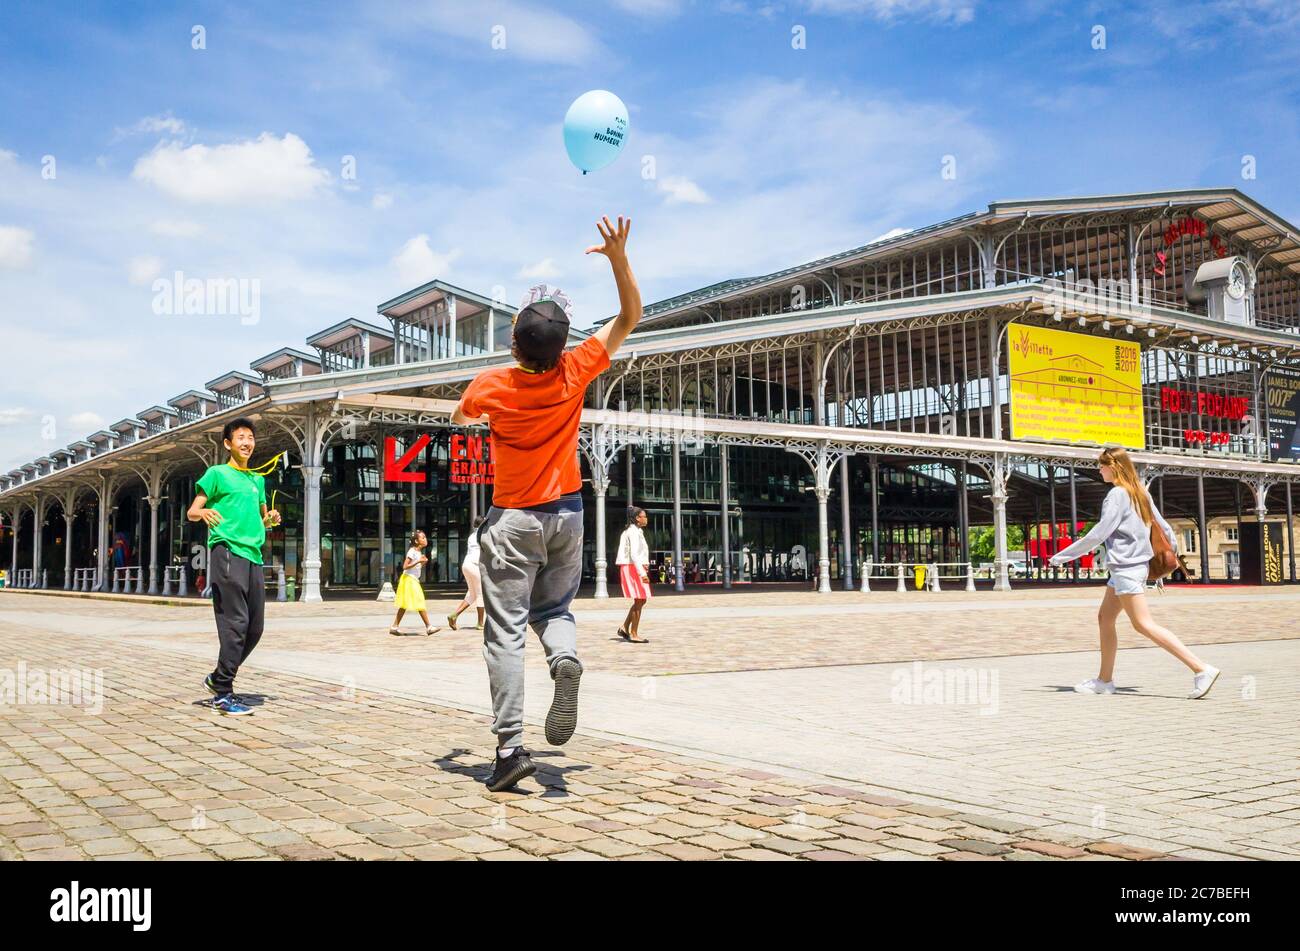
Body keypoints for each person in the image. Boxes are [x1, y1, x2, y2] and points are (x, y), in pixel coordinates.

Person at [451, 214, 641, 792]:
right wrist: (616, 259)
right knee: (554, 612)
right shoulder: (576, 370)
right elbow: (631, 317)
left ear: (514, 343)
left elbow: (461, 417)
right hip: (569, 513)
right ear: (563, 346)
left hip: (513, 519)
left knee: (505, 630)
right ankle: (564, 657)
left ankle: (510, 749)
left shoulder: (492, 385)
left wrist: (480, 413)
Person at [1049, 447, 1220, 699]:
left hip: (1126, 569)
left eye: (1102, 465)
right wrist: (1159, 567)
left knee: (1143, 624)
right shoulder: (1141, 493)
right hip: (1129, 569)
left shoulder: (1117, 494)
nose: (1099, 469)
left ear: (1114, 466)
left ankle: (1201, 668)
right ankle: (1104, 680)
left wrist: (1062, 556)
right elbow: (1166, 531)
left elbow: (1099, 533)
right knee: (1105, 619)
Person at [187, 417, 281, 716]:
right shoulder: (217, 474)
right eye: (240, 437)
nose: (246, 442)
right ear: (228, 443)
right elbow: (192, 510)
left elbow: (261, 519)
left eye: (250, 437)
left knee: (255, 627)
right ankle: (223, 693)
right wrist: (204, 512)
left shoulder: (257, 480)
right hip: (226, 552)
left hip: (253, 556)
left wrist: (271, 520)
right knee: (235, 623)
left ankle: (217, 677)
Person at [390, 530, 439, 636]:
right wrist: (418, 561)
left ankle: (394, 626)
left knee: (404, 604)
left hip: (412, 579)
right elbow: (405, 566)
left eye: (425, 537)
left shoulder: (418, 552)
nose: (425, 539)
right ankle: (429, 626)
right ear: (417, 541)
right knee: (419, 600)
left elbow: (415, 568)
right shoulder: (412, 551)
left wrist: (422, 563)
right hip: (409, 580)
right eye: (423, 538)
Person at [615, 506, 651, 643]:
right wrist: (642, 573)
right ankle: (634, 633)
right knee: (639, 599)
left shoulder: (636, 531)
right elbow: (634, 554)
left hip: (634, 567)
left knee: (641, 599)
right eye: (644, 516)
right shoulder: (633, 532)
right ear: (637, 518)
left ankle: (624, 627)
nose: (646, 519)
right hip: (633, 568)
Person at [448, 516, 486, 630]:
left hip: (467, 564)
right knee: (480, 594)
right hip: (475, 565)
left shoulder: (472, 536)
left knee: (472, 594)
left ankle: (454, 615)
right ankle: (480, 623)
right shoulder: (483, 536)